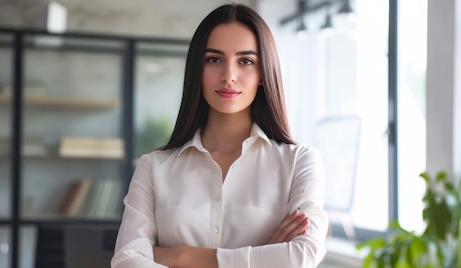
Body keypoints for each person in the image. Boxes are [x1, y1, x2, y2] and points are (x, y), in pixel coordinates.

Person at [111, 3, 328, 268]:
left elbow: (302, 256)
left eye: (245, 61)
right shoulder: (153, 167)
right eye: (214, 59)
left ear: (263, 73)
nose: (228, 76)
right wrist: (262, 258)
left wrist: (181, 256)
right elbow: (126, 261)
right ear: (197, 70)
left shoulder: (299, 163)